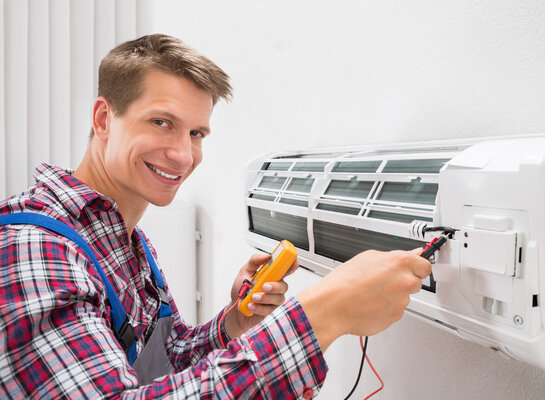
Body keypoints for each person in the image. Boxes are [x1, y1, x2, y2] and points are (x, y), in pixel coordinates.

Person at [0, 34, 431, 399]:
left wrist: (233, 322)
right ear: (103, 119)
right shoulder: (34, 248)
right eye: (162, 122)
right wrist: (323, 315)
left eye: (196, 133)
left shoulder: (125, 239)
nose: (183, 155)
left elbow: (164, 363)